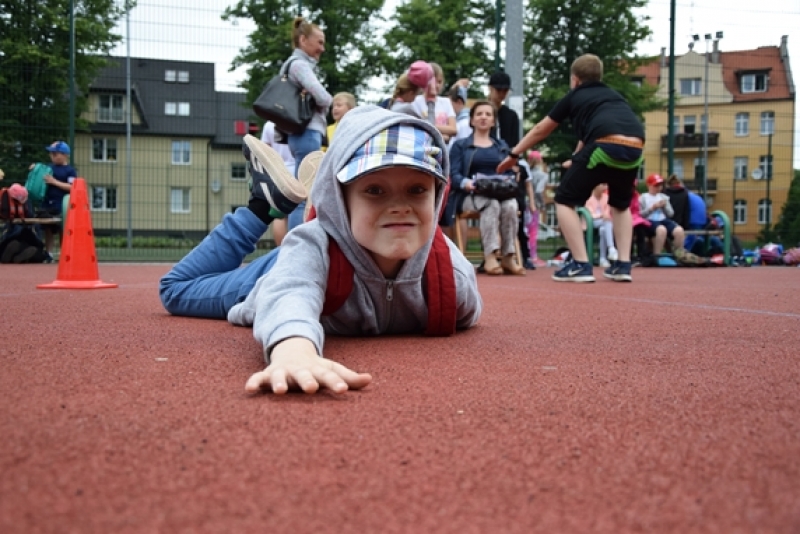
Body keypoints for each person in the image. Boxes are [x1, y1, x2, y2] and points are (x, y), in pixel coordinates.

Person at [160, 106, 482, 395]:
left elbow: (470, 313)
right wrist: (293, 351)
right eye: (374, 190)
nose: (400, 206)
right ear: (340, 199)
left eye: (417, 189)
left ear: (437, 196)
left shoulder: (448, 274)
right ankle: (262, 205)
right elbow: (289, 293)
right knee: (175, 290)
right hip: (294, 267)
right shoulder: (310, 247)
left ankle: (319, 194)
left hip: (325, 251)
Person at [498, 54, 644, 283]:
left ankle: (580, 264)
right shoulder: (614, 97)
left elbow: (541, 129)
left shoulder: (575, 96)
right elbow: (591, 133)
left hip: (603, 146)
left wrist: (513, 155)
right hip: (635, 147)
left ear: (575, 80)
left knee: (564, 199)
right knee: (621, 204)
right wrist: (576, 158)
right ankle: (623, 265)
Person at [449, 100, 524, 276]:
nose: (483, 117)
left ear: (493, 121)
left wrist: (511, 177)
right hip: (469, 195)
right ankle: (490, 256)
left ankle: (508, 256)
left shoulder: (502, 147)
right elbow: (453, 174)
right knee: (491, 204)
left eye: (488, 114)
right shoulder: (460, 146)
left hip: (500, 193)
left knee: (511, 205)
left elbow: (510, 171)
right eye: (479, 114)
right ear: (472, 120)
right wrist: (467, 183)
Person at [284, 16, 333, 231]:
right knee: (305, 195)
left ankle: (298, 240)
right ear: (303, 40)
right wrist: (326, 100)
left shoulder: (292, 65)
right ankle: (299, 243)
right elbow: (324, 98)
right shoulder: (300, 65)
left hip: (299, 134)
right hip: (307, 132)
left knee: (303, 192)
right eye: (319, 42)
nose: (322, 48)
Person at [487, 71, 531, 269]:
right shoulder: (482, 112)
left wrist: (514, 165)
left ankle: (523, 253)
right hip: (486, 166)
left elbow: (514, 145)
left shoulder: (511, 116)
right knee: (492, 205)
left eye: (505, 90)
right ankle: (490, 254)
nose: (502, 94)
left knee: (517, 201)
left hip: (507, 165)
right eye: (499, 90)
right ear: (490, 89)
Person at [260, 121, 296, 246]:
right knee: (299, 211)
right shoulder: (300, 118)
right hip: (298, 170)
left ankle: (281, 251)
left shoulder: (269, 124)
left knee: (280, 215)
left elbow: (264, 152)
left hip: (278, 173)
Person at [39, 141, 76, 256]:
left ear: (65, 155)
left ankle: (64, 253)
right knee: (48, 228)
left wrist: (54, 182)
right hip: (47, 202)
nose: (52, 156)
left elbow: (71, 187)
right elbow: (40, 174)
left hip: (61, 204)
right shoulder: (48, 167)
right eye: (51, 153)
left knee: (62, 228)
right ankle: (49, 253)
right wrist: (35, 168)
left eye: (55, 154)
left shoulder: (70, 170)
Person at [640, 173, 687, 257]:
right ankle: (657, 256)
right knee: (661, 230)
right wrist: (652, 208)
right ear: (649, 185)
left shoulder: (664, 197)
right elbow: (640, 214)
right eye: (656, 185)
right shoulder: (643, 197)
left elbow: (671, 214)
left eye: (660, 185)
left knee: (679, 230)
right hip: (650, 220)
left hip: (663, 220)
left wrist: (665, 207)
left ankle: (679, 255)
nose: (659, 188)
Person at [412, 62, 457, 143]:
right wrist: (443, 135)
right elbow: (416, 128)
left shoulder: (446, 102)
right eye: (433, 81)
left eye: (439, 82)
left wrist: (428, 127)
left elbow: (453, 129)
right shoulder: (415, 101)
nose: (437, 85)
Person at [525, 151, 549, 268]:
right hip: (533, 205)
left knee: (523, 231)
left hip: (522, 203)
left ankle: (523, 255)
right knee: (533, 232)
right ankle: (533, 257)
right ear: (540, 161)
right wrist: (542, 205)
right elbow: (539, 191)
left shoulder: (525, 173)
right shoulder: (543, 175)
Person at [584, 184, 618, 268]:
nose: (605, 187)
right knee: (607, 222)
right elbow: (591, 214)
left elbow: (607, 211)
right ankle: (611, 248)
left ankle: (602, 258)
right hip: (591, 222)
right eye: (603, 185)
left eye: (606, 185)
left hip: (604, 222)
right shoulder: (588, 198)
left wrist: (605, 216)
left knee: (603, 230)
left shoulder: (606, 197)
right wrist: (602, 215)